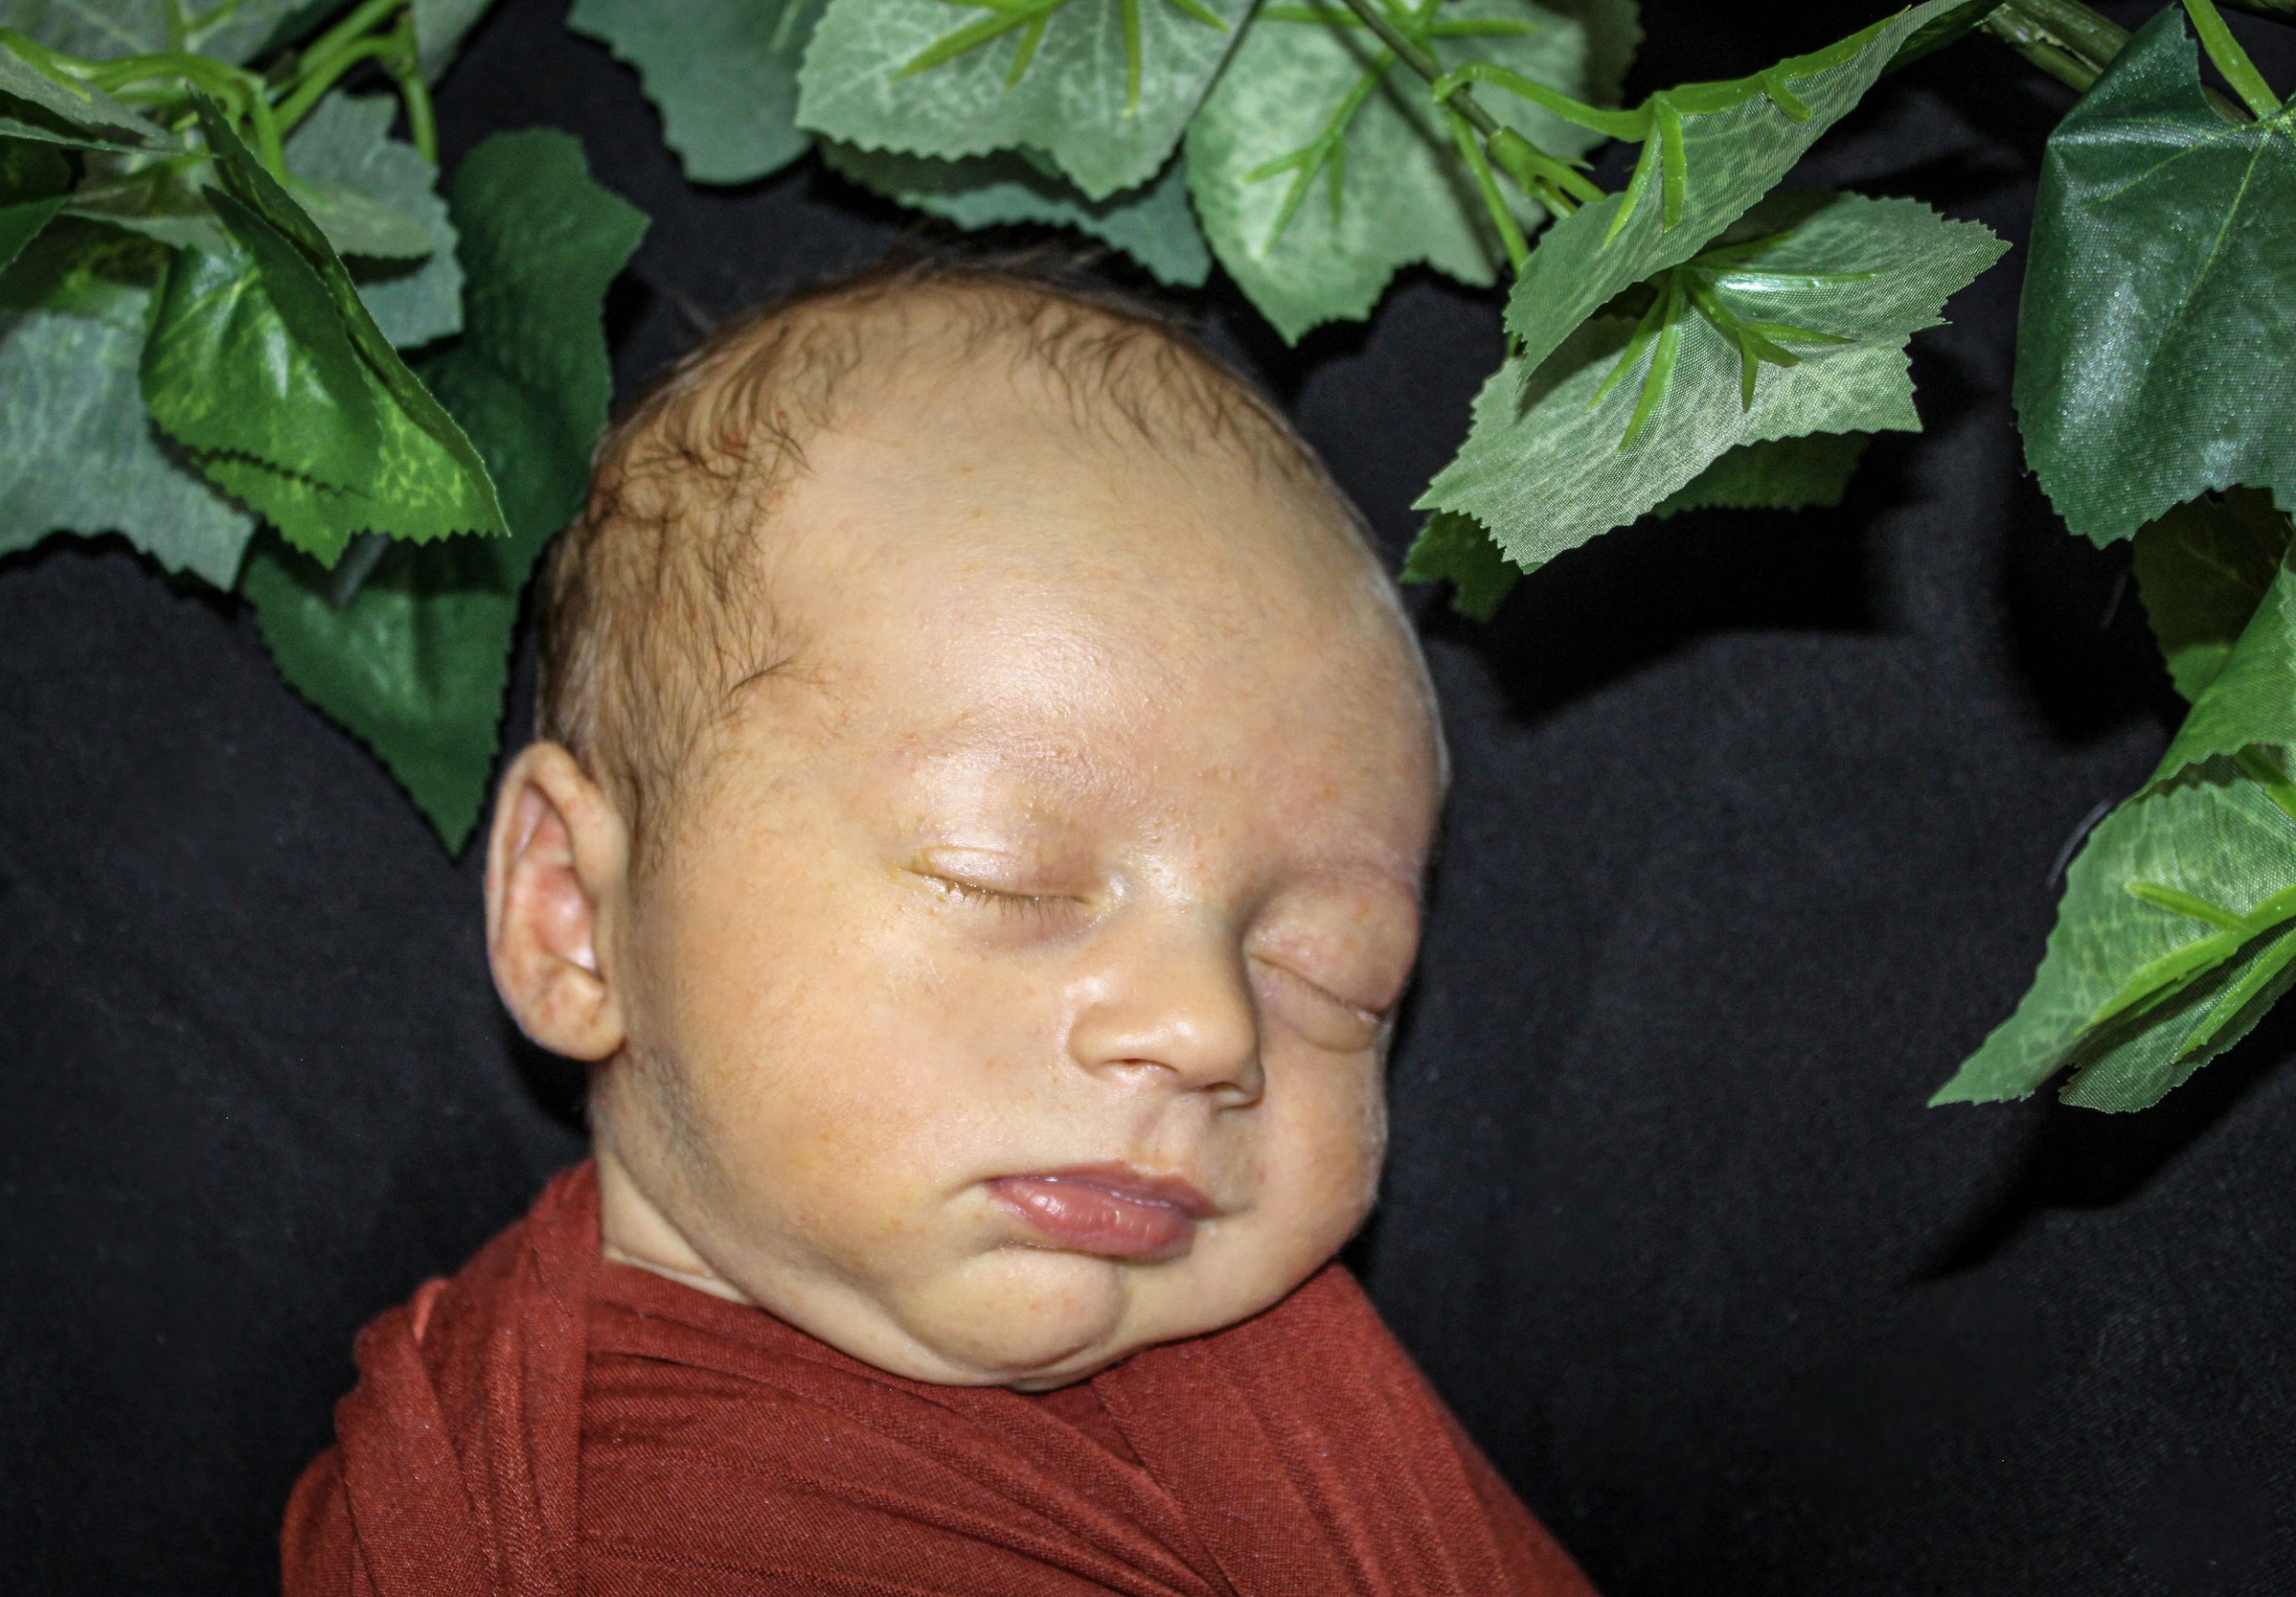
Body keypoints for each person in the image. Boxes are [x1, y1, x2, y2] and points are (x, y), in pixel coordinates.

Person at [284, 250, 1597, 1597]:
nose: (1207, 1027)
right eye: (1004, 879)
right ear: (575, 915)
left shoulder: (1289, 1410)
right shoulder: (485, 1509)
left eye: (1332, 972)